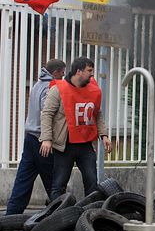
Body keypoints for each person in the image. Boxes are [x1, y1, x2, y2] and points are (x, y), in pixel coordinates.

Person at [39, 57, 112, 200]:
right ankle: (56, 217)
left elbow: (97, 113)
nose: (92, 74)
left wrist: (104, 135)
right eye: (89, 70)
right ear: (78, 71)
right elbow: (47, 114)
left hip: (85, 144)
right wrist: (46, 139)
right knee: (59, 183)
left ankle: (91, 215)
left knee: (92, 182)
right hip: (64, 145)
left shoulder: (93, 89)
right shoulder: (58, 89)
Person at [5, 59, 66, 215]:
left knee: (23, 179)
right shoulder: (49, 88)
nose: (64, 75)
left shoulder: (37, 85)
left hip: (30, 138)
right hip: (42, 140)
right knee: (53, 181)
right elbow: (47, 113)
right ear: (56, 72)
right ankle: (62, 215)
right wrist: (50, 138)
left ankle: (11, 216)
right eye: (63, 72)